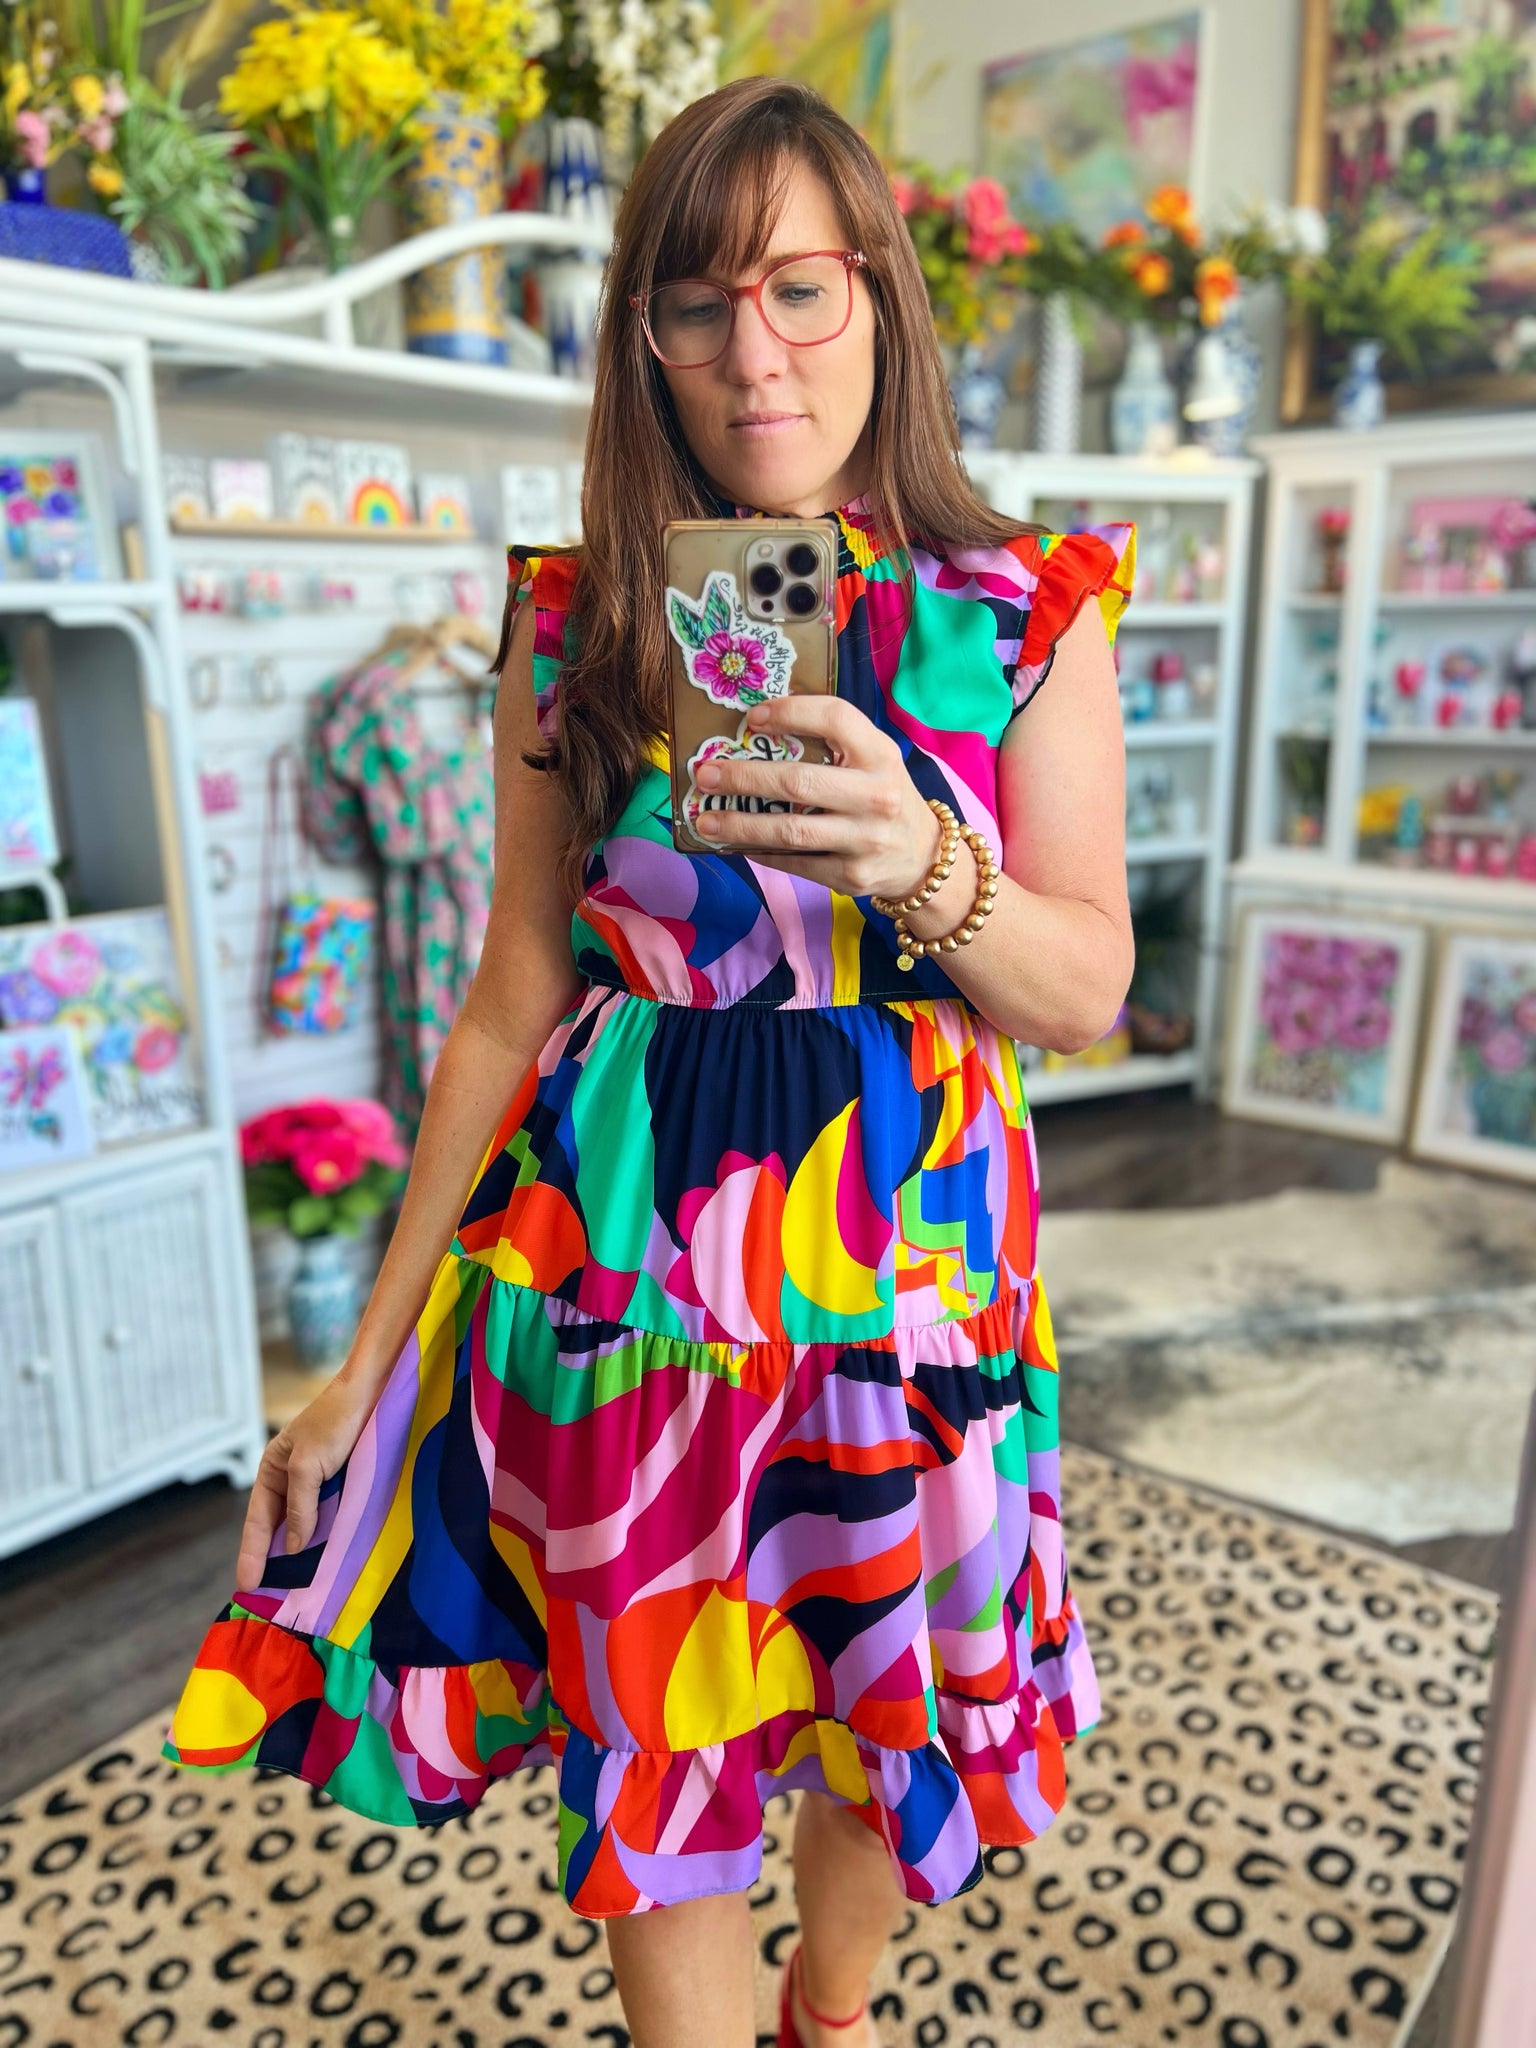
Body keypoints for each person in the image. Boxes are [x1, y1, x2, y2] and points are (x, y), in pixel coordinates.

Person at [161, 75, 1135, 2048]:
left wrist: (922, 864)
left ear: (882, 296)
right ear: (646, 342)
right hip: (622, 1286)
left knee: (896, 1719)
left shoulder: (1025, 611)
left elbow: (1084, 986)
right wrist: (360, 1361)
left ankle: (826, 2009)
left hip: (914, 1286)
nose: (754, 353)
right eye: (697, 303)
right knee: (656, 1742)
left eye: (798, 288)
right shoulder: (578, 622)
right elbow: (510, 994)